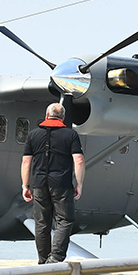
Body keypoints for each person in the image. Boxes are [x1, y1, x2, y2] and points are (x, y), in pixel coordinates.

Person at [21, 103, 85, 264]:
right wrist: (79, 184)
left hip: (39, 184)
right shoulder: (71, 135)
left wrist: (25, 185)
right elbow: (78, 160)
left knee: (42, 222)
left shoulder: (33, 135)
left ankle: (43, 260)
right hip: (61, 184)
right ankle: (56, 258)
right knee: (64, 220)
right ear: (63, 117)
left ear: (46, 115)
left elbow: (26, 163)